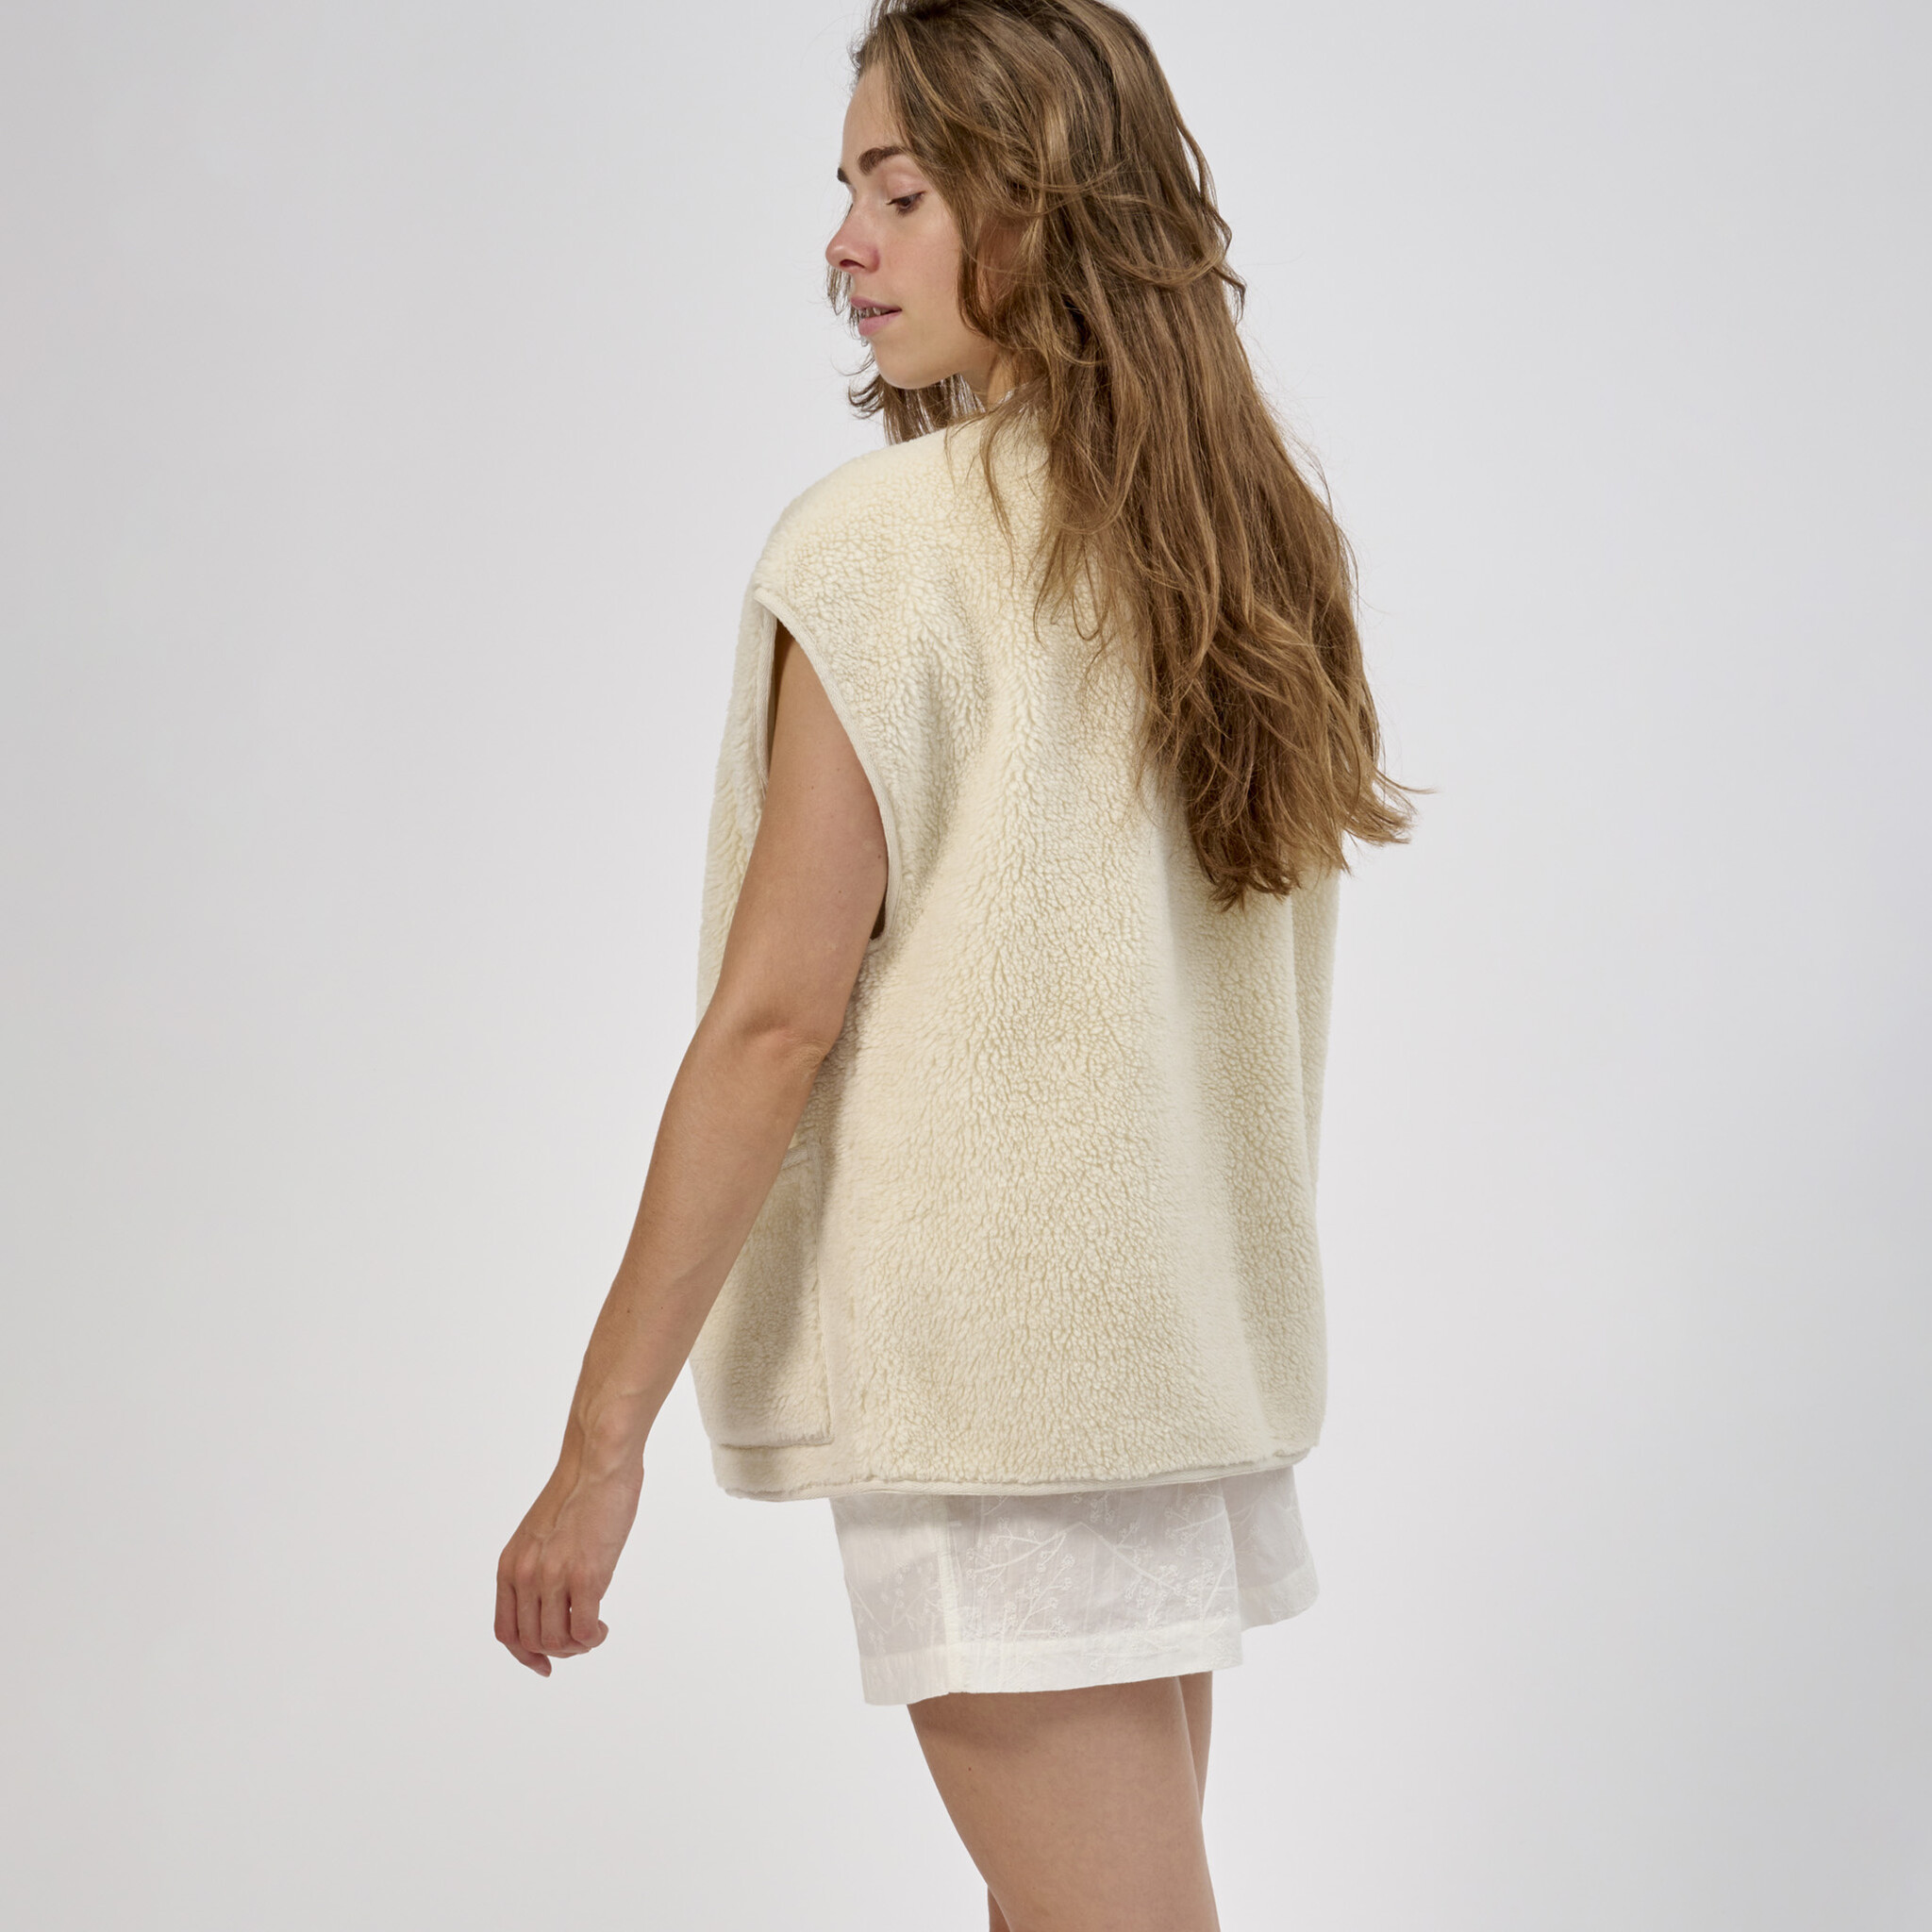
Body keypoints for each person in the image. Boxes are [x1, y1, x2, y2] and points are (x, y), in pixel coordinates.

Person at [495, 3, 1412, 1924]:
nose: (844, 242)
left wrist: (598, 1447)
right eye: (848, 191)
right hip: (1169, 1374)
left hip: (1001, 1397)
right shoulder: (1243, 549)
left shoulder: (885, 550)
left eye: (899, 192)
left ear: (1041, 202)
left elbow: (774, 1020)